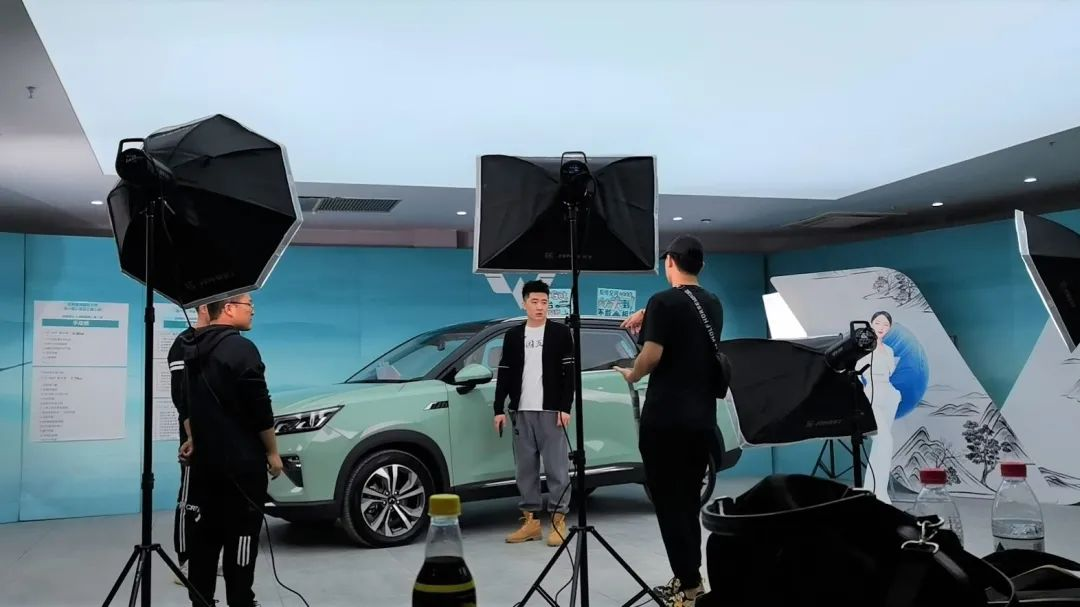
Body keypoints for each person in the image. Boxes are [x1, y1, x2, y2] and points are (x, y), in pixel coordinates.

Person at [615, 235, 723, 607]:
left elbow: (652, 355)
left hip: (665, 420)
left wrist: (632, 373)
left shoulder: (662, 302)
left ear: (670, 262)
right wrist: (648, 314)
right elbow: (686, 323)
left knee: (668, 504)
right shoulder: (712, 303)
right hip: (701, 419)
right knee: (688, 502)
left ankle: (689, 588)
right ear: (701, 265)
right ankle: (692, 579)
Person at [177, 293, 281, 607]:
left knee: (204, 540)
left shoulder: (189, 347)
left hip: (204, 466)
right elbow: (260, 407)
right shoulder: (241, 348)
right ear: (229, 308)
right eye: (249, 305)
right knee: (242, 539)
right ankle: (241, 601)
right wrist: (273, 453)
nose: (253, 311)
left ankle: (201, 601)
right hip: (242, 466)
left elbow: (186, 402)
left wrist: (192, 438)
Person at [493, 280, 575, 547]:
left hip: (551, 411)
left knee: (556, 468)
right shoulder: (514, 335)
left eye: (544, 302)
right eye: (534, 301)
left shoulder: (560, 333)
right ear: (524, 303)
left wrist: (565, 407)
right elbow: (504, 372)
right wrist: (498, 408)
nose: (540, 307)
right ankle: (531, 522)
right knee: (525, 469)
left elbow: (569, 375)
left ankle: (558, 521)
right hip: (521, 410)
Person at [169, 304, 209, 584]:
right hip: (195, 434)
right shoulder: (183, 343)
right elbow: (181, 397)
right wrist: (193, 436)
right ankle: (186, 561)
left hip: (223, 435)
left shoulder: (226, 342)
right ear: (204, 307)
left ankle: (210, 556)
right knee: (191, 496)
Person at [858, 310, 902, 504]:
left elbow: (890, 372)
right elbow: (857, 371)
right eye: (877, 323)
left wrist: (895, 395)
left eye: (885, 324)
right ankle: (878, 494)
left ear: (889, 328)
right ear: (871, 324)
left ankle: (875, 491)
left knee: (880, 447)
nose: (881, 327)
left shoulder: (890, 350)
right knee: (884, 441)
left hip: (889, 396)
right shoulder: (863, 347)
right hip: (872, 395)